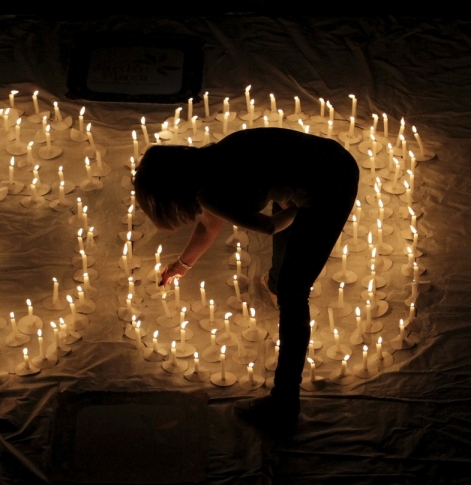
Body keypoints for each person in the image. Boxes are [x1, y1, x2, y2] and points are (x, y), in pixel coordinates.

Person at [134, 127, 359, 433]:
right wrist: (182, 265)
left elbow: (269, 227)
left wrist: (298, 207)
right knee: (285, 270)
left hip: (330, 184)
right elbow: (207, 227)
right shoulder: (219, 154)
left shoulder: (213, 191)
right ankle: (278, 283)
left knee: (295, 293)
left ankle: (284, 401)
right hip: (325, 159)